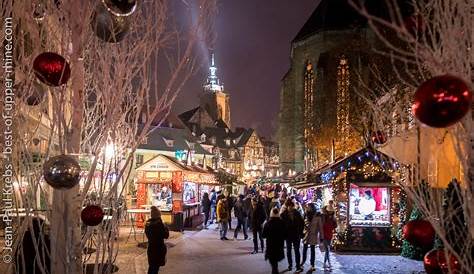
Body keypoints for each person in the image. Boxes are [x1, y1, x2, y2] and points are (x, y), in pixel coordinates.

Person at [280, 199, 304, 272]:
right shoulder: (283, 215)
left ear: (293, 206)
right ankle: (290, 265)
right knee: (288, 251)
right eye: (289, 206)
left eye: (291, 206)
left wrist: (300, 232)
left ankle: (297, 266)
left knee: (297, 251)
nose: (290, 207)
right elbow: (281, 225)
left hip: (296, 235)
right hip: (288, 236)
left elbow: (302, 223)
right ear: (287, 206)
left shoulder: (297, 213)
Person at [145, 206, 169, 274]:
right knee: (155, 268)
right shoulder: (159, 224)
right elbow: (166, 235)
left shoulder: (148, 223)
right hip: (159, 249)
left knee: (152, 267)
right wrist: (166, 227)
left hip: (150, 248)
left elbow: (147, 234)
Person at [262, 208, 286, 274]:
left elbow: (263, 235)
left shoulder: (268, 223)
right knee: (276, 258)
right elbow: (285, 234)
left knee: (272, 259)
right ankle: (275, 269)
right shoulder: (282, 223)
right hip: (279, 244)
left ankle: (274, 270)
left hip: (270, 244)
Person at [301, 203, 323, 271]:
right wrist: (302, 232)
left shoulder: (317, 216)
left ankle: (312, 265)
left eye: (309, 207)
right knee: (304, 249)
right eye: (307, 207)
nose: (307, 208)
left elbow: (320, 227)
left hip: (313, 235)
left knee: (312, 250)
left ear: (312, 208)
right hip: (306, 234)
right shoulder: (306, 215)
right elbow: (303, 225)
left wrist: (321, 237)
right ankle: (303, 262)